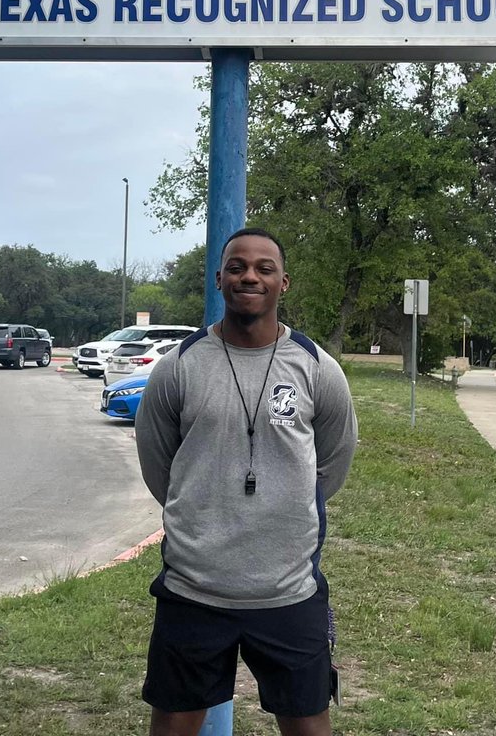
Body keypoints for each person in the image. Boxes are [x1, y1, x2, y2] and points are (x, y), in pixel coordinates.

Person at [135, 227, 358, 736]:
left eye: (264, 268)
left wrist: (285, 501)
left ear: (284, 283)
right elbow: (159, 466)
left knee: (308, 724)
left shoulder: (316, 368)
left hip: (288, 591)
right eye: (236, 267)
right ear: (219, 279)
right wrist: (201, 506)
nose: (249, 276)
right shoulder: (179, 368)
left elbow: (333, 460)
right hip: (194, 589)